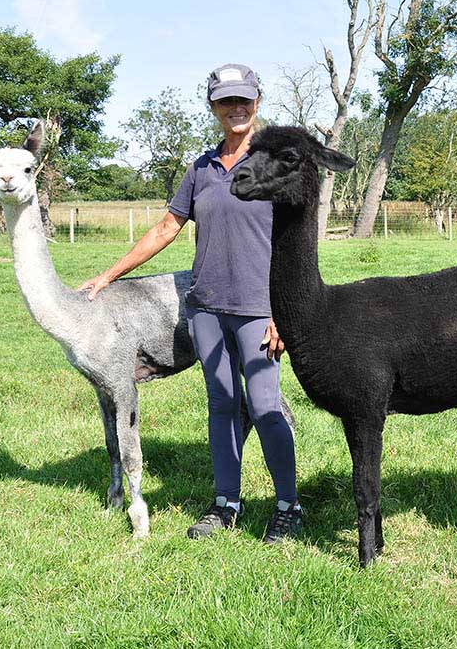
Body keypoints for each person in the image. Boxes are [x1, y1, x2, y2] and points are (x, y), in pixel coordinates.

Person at [79, 63, 302, 543]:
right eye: (226, 101)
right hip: (205, 307)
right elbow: (166, 228)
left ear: (258, 101)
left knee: (264, 406)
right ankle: (226, 504)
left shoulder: (276, 166)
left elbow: (293, 244)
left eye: (244, 99)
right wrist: (108, 275)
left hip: (258, 309)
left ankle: (288, 505)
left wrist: (285, 312)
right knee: (222, 404)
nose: (236, 109)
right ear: (213, 108)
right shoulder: (200, 169)